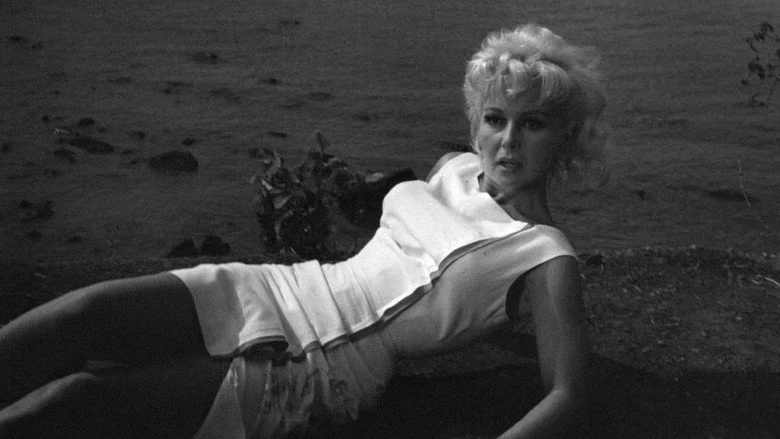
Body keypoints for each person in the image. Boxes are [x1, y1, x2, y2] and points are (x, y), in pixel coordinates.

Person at [0, 23, 608, 438]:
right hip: (283, 287)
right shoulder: (453, 167)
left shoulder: (544, 255)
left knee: (77, 400)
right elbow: (408, 252)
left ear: (564, 140)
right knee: (74, 317)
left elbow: (569, 396)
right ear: (476, 125)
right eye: (496, 119)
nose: (507, 140)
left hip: (327, 365)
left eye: (533, 124)